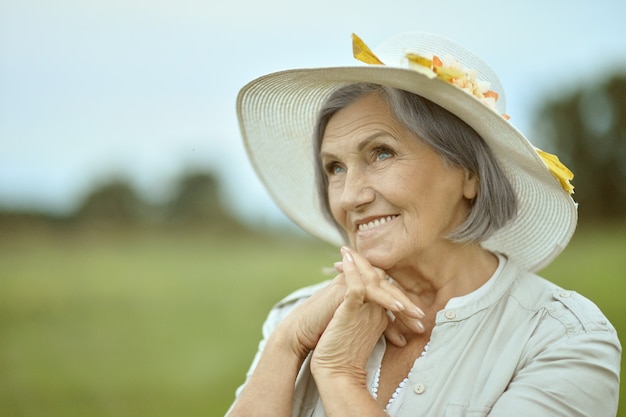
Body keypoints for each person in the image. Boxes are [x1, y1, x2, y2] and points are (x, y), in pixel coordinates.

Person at [225, 32, 621, 417]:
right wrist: (286, 345)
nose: (349, 197)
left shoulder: (561, 337)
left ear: (469, 172)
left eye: (381, 153)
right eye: (335, 168)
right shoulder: (297, 320)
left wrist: (340, 376)